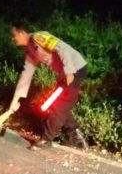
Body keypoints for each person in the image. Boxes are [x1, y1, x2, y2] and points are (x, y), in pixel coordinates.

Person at [9, 22, 88, 150]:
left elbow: (61, 48)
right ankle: (77, 136)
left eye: (14, 35)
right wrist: (15, 99)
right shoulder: (30, 51)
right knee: (57, 104)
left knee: (59, 104)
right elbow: (26, 74)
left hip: (75, 69)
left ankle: (46, 139)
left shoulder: (38, 37)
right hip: (65, 73)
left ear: (22, 33)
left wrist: (69, 70)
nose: (13, 39)